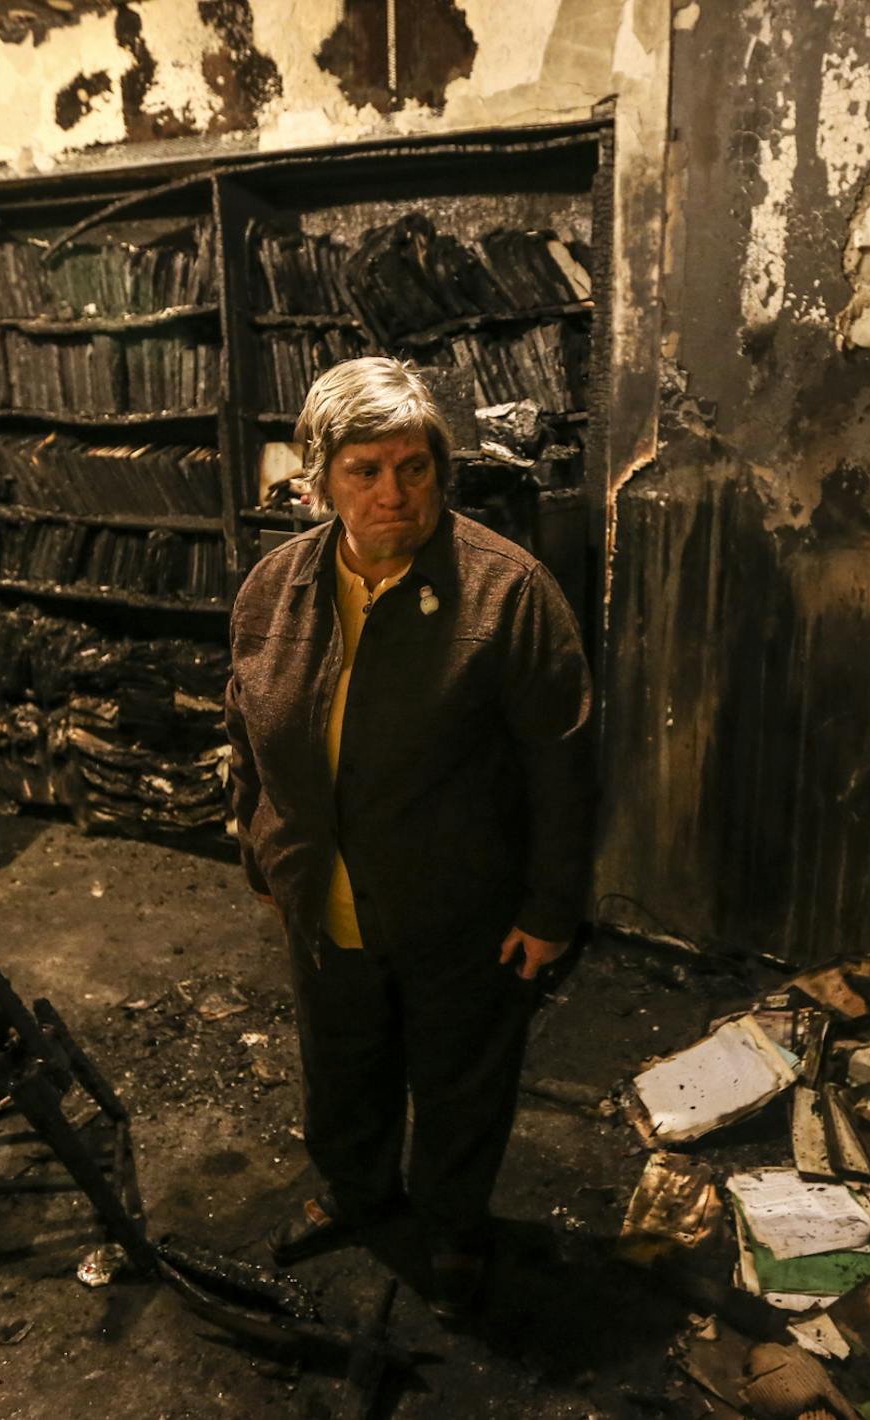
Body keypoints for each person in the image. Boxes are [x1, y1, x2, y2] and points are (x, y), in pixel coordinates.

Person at [222, 357, 595, 1318]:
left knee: (460, 1076)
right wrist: (257, 849)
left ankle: (453, 1225)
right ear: (320, 480)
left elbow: (564, 764)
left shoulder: (509, 593)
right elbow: (245, 732)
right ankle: (356, 1192)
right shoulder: (274, 590)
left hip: (460, 906)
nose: (395, 493)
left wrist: (551, 909)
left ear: (441, 469)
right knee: (342, 1061)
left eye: (415, 467)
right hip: (324, 892)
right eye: (365, 470)